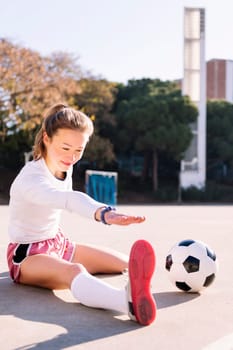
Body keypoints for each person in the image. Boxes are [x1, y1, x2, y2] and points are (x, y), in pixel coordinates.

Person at [7, 103, 156, 326]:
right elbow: (69, 199)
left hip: (59, 244)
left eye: (79, 150)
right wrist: (104, 213)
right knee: (75, 271)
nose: (71, 157)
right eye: (65, 148)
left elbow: (68, 194)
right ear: (47, 139)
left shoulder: (64, 166)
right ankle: (127, 303)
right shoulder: (30, 179)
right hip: (28, 255)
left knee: (125, 263)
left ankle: (154, 281)